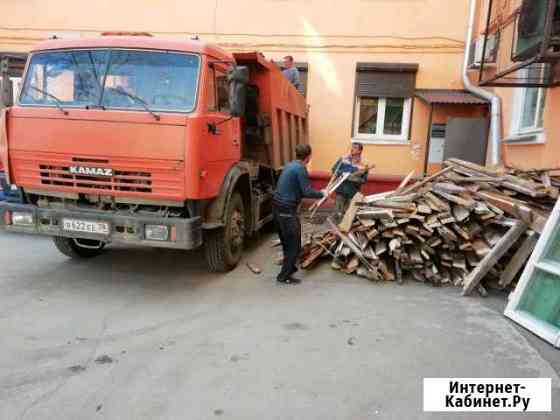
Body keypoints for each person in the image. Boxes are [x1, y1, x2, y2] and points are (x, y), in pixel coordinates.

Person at [273, 144, 325, 285]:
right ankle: (284, 276)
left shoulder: (290, 165)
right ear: (308, 157)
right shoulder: (301, 169)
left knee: (286, 242)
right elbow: (306, 191)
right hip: (286, 211)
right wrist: (322, 193)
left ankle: (289, 268)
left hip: (277, 208)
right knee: (294, 245)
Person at [331, 143, 374, 221]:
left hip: (352, 192)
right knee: (337, 214)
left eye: (355, 148)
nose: (352, 149)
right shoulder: (343, 159)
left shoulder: (364, 164)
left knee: (349, 215)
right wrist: (343, 174)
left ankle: (345, 231)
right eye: (352, 147)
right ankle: (335, 230)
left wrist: (353, 178)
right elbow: (334, 170)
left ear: (360, 151)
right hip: (341, 191)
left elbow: (363, 180)